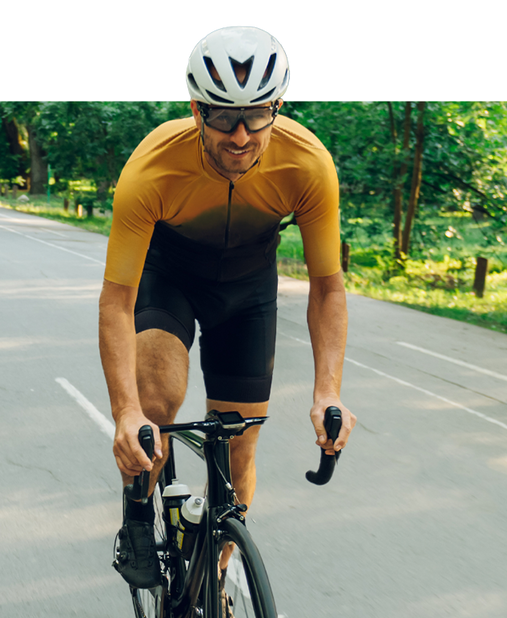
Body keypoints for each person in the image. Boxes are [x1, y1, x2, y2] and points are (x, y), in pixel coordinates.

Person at [100, 24, 356, 590]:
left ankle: (211, 579)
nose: (240, 135)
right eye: (221, 116)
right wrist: (125, 413)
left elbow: (328, 287)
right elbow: (117, 301)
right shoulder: (151, 169)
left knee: (240, 446)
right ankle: (139, 512)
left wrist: (328, 391)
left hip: (248, 291)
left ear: (277, 107)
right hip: (168, 281)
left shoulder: (308, 164)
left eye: (257, 115)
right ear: (196, 109)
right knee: (158, 402)